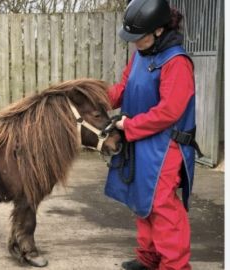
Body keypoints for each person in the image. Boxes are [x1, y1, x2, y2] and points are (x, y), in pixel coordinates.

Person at [104, 0, 202, 269]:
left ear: (158, 31)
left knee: (162, 207)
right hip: (139, 141)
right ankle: (149, 260)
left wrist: (130, 127)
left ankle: (174, 266)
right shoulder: (140, 53)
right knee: (140, 200)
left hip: (165, 146)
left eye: (139, 37)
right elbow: (125, 86)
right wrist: (97, 101)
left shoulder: (177, 62)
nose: (134, 43)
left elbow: (169, 111)